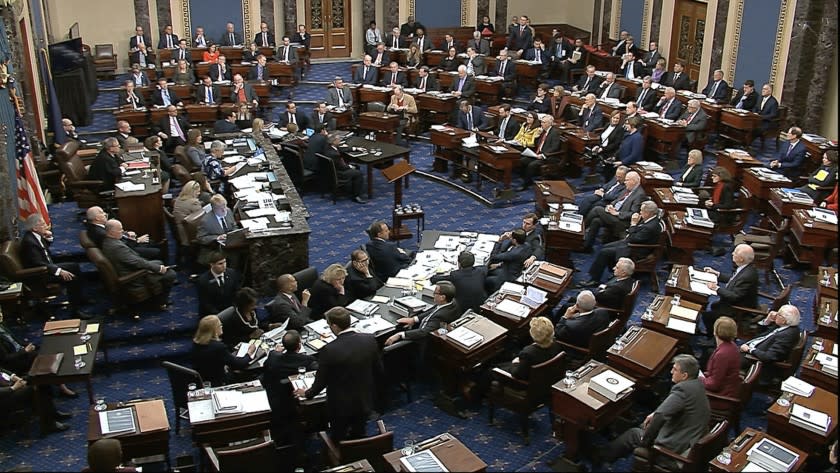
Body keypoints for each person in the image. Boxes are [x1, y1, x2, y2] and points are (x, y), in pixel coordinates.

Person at [593, 355, 709, 469]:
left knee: (634, 434)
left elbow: (661, 415)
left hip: (672, 451)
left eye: (675, 369)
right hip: (686, 439)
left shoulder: (682, 390)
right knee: (643, 425)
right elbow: (668, 410)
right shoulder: (697, 386)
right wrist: (655, 414)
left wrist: (646, 440)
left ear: (684, 375)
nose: (671, 372)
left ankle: (601, 456)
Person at [294, 307, 383, 441]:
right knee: (360, 431)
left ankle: (339, 454)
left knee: (338, 435)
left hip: (340, 404)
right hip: (364, 398)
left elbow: (321, 382)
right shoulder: (369, 339)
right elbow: (379, 370)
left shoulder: (329, 350)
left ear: (334, 326)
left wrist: (307, 393)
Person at [19, 214, 89, 317]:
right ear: (34, 228)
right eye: (43, 224)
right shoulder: (29, 242)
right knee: (71, 278)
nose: (46, 226)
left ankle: (79, 298)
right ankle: (75, 311)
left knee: (74, 266)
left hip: (47, 266)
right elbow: (38, 262)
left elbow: (43, 250)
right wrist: (59, 271)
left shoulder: (35, 236)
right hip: (40, 274)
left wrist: (48, 238)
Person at [578, 201, 661, 286]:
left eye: (642, 211)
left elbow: (633, 239)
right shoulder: (650, 220)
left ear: (648, 213)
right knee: (605, 247)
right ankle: (615, 272)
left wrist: (633, 224)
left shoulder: (650, 227)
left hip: (636, 250)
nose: (640, 212)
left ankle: (594, 279)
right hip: (631, 243)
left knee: (604, 252)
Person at [101, 219, 176, 311]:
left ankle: (156, 296)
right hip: (134, 276)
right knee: (170, 274)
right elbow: (137, 262)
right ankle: (160, 302)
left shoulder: (108, 241)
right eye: (120, 229)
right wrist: (158, 269)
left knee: (159, 262)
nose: (123, 231)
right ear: (112, 232)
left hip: (127, 268)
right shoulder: (117, 247)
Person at [700, 244, 759, 339]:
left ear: (741, 259)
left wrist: (716, 288)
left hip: (738, 309)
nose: (732, 253)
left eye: (735, 253)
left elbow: (734, 297)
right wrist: (717, 274)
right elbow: (734, 279)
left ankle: (713, 339)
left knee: (707, 316)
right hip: (734, 301)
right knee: (713, 305)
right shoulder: (747, 268)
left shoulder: (747, 276)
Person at [582, 170, 646, 251]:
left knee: (597, 209)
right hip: (614, 214)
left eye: (627, 180)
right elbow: (617, 200)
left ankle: (581, 230)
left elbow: (634, 214)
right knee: (596, 220)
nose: (625, 182)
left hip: (622, 222)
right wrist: (611, 206)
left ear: (633, 181)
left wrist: (617, 213)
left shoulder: (640, 195)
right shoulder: (628, 188)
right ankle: (587, 247)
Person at [385, 281, 461, 345]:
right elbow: (434, 309)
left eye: (435, 293)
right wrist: (414, 319)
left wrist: (400, 335)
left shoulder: (440, 316)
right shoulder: (452, 302)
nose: (433, 294)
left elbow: (424, 332)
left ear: (442, 297)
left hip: (421, 342)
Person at [1, 367, 70, 435]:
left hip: (10, 385)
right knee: (38, 385)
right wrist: (13, 388)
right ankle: (49, 424)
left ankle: (52, 413)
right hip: (4, 397)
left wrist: (19, 380)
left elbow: (1, 370)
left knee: (39, 377)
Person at [191, 315, 254, 386]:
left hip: (202, 379)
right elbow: (238, 364)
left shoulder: (196, 343)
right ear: (214, 329)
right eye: (220, 325)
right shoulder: (218, 347)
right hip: (219, 381)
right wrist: (249, 353)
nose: (222, 326)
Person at [739, 305, 801, 370]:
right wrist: (767, 321)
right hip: (750, 347)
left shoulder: (786, 336)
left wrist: (749, 350)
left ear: (783, 320)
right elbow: (760, 335)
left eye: (779, 314)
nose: (775, 314)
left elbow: (769, 357)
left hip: (751, 359)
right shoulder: (785, 326)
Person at [86, 206, 159, 260]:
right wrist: (137, 240)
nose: (105, 214)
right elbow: (121, 245)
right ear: (97, 218)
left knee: (151, 242)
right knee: (157, 251)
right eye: (102, 212)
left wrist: (126, 234)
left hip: (126, 244)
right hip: (128, 251)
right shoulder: (101, 233)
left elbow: (115, 235)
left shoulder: (93, 226)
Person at [518, 115, 563, 190]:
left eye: (544, 122)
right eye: (541, 122)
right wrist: (537, 136)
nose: (541, 124)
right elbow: (536, 144)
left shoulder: (555, 133)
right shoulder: (542, 131)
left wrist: (543, 155)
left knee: (532, 165)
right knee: (522, 161)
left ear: (550, 123)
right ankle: (527, 180)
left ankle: (525, 184)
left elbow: (555, 147)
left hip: (549, 157)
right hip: (537, 154)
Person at [700, 317, 741, 397]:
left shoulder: (722, 354)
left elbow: (714, 385)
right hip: (724, 389)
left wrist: (698, 378)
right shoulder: (733, 346)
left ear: (715, 331)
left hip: (718, 396)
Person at [323, 132, 367, 203]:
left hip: (331, 171)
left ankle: (352, 188)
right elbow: (342, 167)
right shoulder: (334, 154)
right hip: (338, 173)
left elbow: (341, 149)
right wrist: (350, 166)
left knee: (356, 167)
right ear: (334, 141)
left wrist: (355, 148)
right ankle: (355, 196)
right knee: (358, 173)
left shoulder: (329, 147)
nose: (340, 140)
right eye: (338, 139)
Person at [197, 252, 242, 317]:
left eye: (225, 262)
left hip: (231, 310)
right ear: (212, 264)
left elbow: (237, 293)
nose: (224, 265)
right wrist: (219, 316)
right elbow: (206, 303)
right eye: (220, 264)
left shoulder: (232, 273)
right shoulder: (203, 280)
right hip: (212, 313)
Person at [197, 194, 237, 265]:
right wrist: (217, 238)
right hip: (214, 248)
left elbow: (234, 226)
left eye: (224, 206)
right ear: (214, 209)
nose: (224, 210)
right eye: (220, 208)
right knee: (234, 256)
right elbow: (200, 238)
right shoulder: (205, 221)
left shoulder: (228, 211)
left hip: (230, 244)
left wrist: (235, 233)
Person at [590, 111, 625, 178]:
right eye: (614, 118)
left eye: (617, 118)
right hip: (602, 147)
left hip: (610, 151)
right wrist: (598, 146)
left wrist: (602, 149)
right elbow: (601, 137)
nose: (615, 120)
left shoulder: (620, 129)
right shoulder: (607, 125)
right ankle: (592, 174)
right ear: (611, 117)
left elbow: (615, 144)